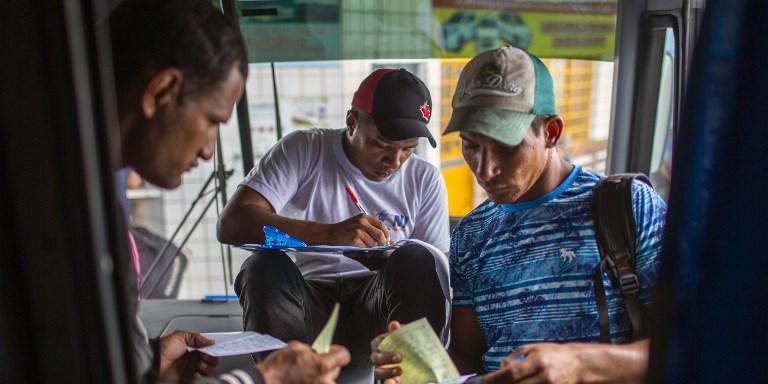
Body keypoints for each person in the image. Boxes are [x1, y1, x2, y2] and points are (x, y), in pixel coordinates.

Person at [371, 46, 667, 383]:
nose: (485, 170)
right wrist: (413, 366)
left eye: (505, 147)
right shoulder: (472, 233)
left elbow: (688, 346)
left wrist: (583, 363)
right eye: (471, 145)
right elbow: (469, 357)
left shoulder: (627, 207)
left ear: (551, 132)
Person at [109, 0, 350, 382]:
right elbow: (236, 222)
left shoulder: (98, 204)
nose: (208, 151)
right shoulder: (71, 223)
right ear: (161, 92)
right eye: (211, 121)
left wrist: (149, 364)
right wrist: (264, 379)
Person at [217, 68, 451, 365]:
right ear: (352, 122)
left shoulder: (424, 178)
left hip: (378, 309)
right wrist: (327, 234)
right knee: (262, 265)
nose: (394, 162)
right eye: (381, 145)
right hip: (306, 304)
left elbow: (439, 276)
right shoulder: (305, 149)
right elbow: (233, 223)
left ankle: (409, 375)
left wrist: (386, 260)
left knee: (419, 258)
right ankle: (290, 375)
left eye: (407, 149)